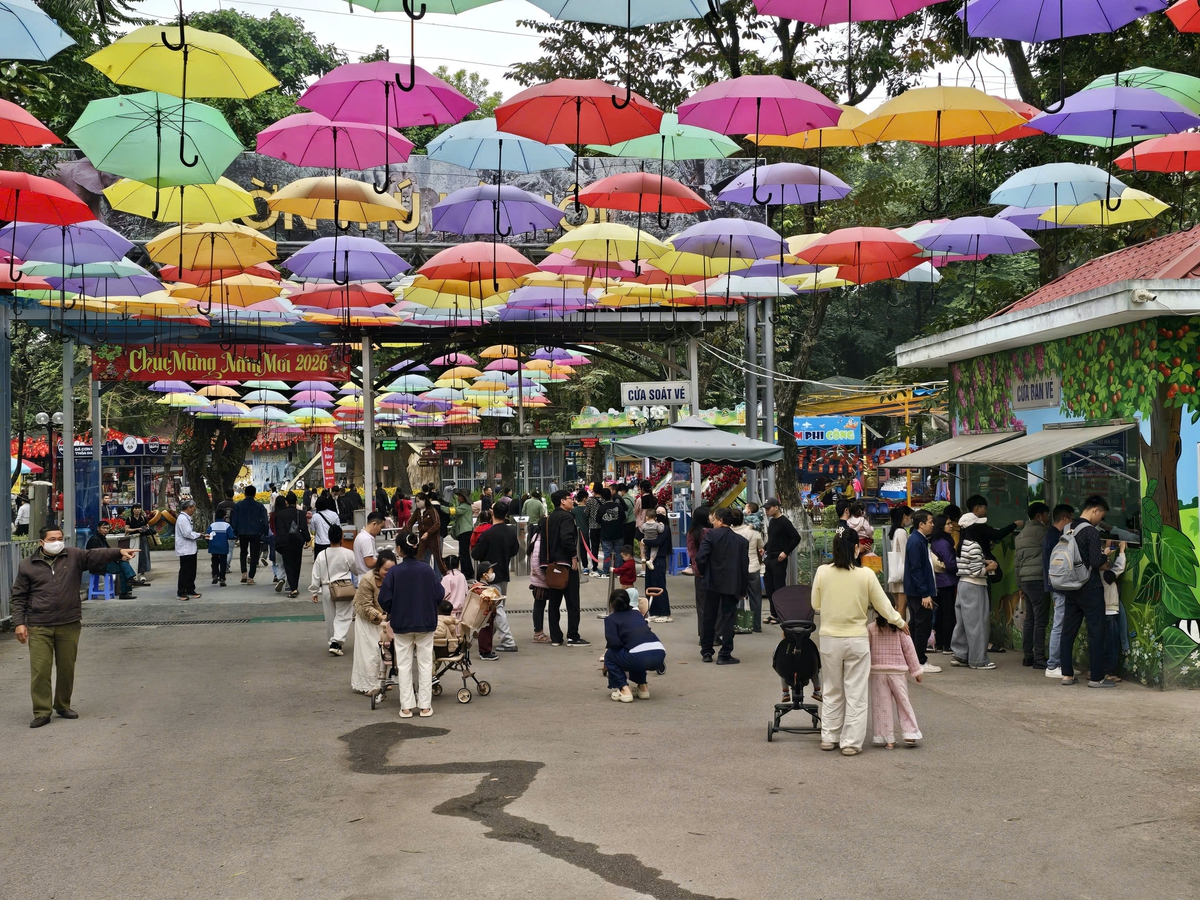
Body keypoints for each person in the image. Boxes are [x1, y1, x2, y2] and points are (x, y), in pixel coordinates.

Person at [12, 524, 136, 727]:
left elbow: (96, 555)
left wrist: (118, 551)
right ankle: (42, 711)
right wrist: (19, 623)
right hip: (40, 624)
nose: (57, 542)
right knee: (40, 670)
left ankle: (62, 704)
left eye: (59, 538)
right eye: (52, 539)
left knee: (66, 668)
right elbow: (18, 596)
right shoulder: (28, 565)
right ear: (41, 542)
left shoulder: (74, 556)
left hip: (68, 623)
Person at [811, 536, 909, 756]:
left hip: (829, 638)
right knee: (856, 692)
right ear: (856, 548)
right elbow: (883, 605)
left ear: (834, 548)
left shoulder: (822, 572)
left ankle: (829, 736)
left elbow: (815, 604)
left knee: (832, 688)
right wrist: (900, 622)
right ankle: (851, 743)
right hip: (856, 638)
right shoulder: (865, 574)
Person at [380, 532, 444, 717]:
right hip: (426, 622)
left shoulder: (394, 572)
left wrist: (395, 608)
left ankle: (406, 706)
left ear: (399, 549)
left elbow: (384, 599)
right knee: (425, 663)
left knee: (404, 665)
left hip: (401, 623)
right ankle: (425, 706)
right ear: (416, 547)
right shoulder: (427, 570)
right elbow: (440, 594)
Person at [1056, 495, 1113, 688]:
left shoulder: (1066, 528)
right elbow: (1096, 562)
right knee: (1096, 631)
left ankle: (1066, 675)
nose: (1101, 520)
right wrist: (1105, 554)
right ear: (1095, 510)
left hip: (1070, 587)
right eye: (1102, 515)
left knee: (1068, 631)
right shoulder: (1091, 532)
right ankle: (1097, 678)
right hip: (1090, 588)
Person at [695, 506, 750, 665]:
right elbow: (743, 567)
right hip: (732, 584)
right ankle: (725, 653)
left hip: (711, 582)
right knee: (728, 619)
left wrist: (706, 573)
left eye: (714, 518)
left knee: (708, 617)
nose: (712, 521)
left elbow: (700, 557)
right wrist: (742, 588)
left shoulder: (710, 535)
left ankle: (706, 651)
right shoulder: (741, 541)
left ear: (720, 520)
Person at [868, 597, 924, 749]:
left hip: (878, 672)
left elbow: (866, 651)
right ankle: (910, 733)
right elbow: (909, 650)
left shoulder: (871, 628)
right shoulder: (901, 627)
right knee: (903, 702)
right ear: (894, 607)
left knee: (881, 705)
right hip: (897, 672)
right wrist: (916, 671)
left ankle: (888, 739)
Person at [950, 512, 999, 670]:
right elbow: (978, 572)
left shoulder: (961, 544)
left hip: (963, 585)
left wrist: (982, 561)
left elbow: (967, 564)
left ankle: (960, 654)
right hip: (975, 586)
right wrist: (989, 567)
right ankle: (978, 660)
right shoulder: (975, 546)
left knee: (963, 623)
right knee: (978, 624)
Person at [471, 503, 518, 654]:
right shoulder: (511, 531)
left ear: (492, 514)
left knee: (497, 609)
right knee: (497, 607)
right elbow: (515, 550)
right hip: (504, 573)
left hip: (489, 576)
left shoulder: (488, 534)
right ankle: (488, 636)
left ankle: (508, 641)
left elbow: (476, 554)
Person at [603, 590, 666, 703]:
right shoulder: (637, 613)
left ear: (611, 604)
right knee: (634, 652)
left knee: (610, 656)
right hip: (659, 652)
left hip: (639, 656)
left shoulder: (611, 619)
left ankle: (624, 689)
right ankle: (643, 688)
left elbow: (614, 643)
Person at [544, 489, 587, 646]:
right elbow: (567, 538)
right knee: (572, 603)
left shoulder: (549, 518)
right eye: (570, 498)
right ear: (562, 501)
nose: (572, 501)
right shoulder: (567, 517)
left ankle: (555, 637)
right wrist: (574, 557)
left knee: (554, 603)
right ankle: (573, 636)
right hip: (567, 566)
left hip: (553, 566)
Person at [351, 549, 397, 694]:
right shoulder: (367, 579)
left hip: (384, 621)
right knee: (370, 653)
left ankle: (381, 681)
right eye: (385, 570)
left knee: (384, 652)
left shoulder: (396, 577)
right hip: (367, 620)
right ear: (378, 567)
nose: (388, 573)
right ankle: (369, 685)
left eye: (392, 569)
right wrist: (381, 615)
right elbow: (364, 605)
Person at [902, 510, 941, 674]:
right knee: (922, 626)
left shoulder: (919, 540)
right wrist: (924, 593)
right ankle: (919, 661)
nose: (933, 524)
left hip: (916, 591)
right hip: (919, 593)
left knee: (916, 625)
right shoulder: (916, 541)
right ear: (921, 524)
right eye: (930, 521)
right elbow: (916, 569)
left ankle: (912, 659)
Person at [309, 523, 357, 656]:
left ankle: (332, 641)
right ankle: (337, 641)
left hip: (326, 587)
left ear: (328, 538)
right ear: (341, 536)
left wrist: (314, 591)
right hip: (344, 587)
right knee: (344, 615)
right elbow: (355, 570)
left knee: (330, 616)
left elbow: (316, 574)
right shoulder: (348, 553)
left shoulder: (321, 555)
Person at [1015, 502, 1051, 669]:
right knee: (1040, 620)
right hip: (1038, 579)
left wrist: (1019, 585)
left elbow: (1017, 563)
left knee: (1030, 619)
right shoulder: (1042, 532)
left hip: (1026, 581)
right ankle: (1039, 658)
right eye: (1046, 515)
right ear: (1039, 516)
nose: (1048, 518)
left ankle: (1028, 656)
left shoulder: (1020, 535)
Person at [1043, 503, 1075, 679]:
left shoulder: (1051, 535)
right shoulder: (1056, 537)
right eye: (1070, 519)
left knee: (1061, 624)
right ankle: (1053, 664)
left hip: (1056, 584)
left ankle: (1062, 663)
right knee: (1059, 625)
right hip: (1059, 585)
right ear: (1064, 519)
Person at [762, 498, 800, 623]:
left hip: (779, 559)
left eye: (769, 508)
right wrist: (764, 548)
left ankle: (781, 614)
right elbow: (773, 539)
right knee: (769, 587)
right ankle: (773, 614)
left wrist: (785, 552)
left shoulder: (784, 522)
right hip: (770, 558)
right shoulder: (772, 522)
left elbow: (796, 537)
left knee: (779, 587)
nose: (767, 510)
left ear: (776, 507)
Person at [730, 507, 765, 632]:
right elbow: (761, 546)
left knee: (733, 597)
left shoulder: (729, 533)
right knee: (755, 597)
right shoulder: (754, 532)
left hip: (735, 569)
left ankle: (734, 623)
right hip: (753, 567)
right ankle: (756, 625)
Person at [928, 515, 959, 654]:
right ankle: (947, 644)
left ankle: (940, 642)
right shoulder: (944, 543)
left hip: (938, 583)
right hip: (946, 582)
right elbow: (951, 564)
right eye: (948, 524)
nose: (951, 526)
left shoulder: (936, 541)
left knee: (940, 614)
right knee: (948, 614)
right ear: (941, 526)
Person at [86, 520, 138, 598]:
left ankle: (129, 582)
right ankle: (126, 588)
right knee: (122, 567)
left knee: (123, 562)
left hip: (105, 562)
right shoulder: (95, 540)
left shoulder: (102, 539)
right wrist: (118, 558)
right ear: (98, 528)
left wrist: (119, 557)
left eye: (107, 528)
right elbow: (103, 554)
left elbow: (109, 552)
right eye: (103, 528)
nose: (106, 530)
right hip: (98, 565)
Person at [230, 485, 268, 585]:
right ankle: (251, 577)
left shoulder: (238, 505)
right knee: (254, 554)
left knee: (243, 552)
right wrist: (265, 532)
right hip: (256, 532)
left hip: (242, 532)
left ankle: (244, 573)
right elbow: (264, 521)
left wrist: (236, 532)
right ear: (255, 494)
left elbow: (234, 520)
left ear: (245, 493)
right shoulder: (260, 506)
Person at [1102, 541, 1127, 684]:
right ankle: (1108, 672)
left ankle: (1095, 669)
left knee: (1099, 642)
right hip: (1109, 612)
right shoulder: (1106, 575)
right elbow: (1118, 568)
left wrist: (1106, 550)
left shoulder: (1094, 573)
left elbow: (1106, 564)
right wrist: (1122, 551)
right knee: (1111, 644)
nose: (1108, 563)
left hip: (1099, 613)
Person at [274, 492, 308, 598]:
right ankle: (294, 586)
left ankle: (293, 588)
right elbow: (304, 528)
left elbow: (279, 530)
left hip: (285, 543)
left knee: (288, 565)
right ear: (296, 502)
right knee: (297, 564)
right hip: (297, 541)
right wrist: (307, 539)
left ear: (286, 502)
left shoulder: (280, 515)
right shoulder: (301, 513)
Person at [642, 506, 673, 622]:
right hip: (650, 559)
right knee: (650, 585)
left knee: (659, 585)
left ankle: (664, 612)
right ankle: (653, 611)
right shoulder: (652, 526)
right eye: (658, 512)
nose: (660, 514)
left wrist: (645, 541)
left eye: (662, 512)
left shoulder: (664, 528)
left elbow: (657, 542)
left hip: (659, 559)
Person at [687, 507, 712, 640]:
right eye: (710, 515)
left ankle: (703, 635)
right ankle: (713, 635)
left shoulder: (692, 532)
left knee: (702, 606)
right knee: (714, 606)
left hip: (700, 574)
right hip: (712, 573)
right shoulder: (711, 532)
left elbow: (692, 553)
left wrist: (697, 570)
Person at [527, 522, 552, 643]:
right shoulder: (539, 543)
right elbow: (536, 565)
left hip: (540, 580)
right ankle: (538, 633)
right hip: (541, 581)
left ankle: (539, 632)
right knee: (539, 605)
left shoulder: (537, 538)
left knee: (539, 605)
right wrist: (545, 579)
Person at [886, 505, 913, 615]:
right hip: (902, 574)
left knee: (897, 606)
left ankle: (896, 630)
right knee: (902, 606)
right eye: (910, 517)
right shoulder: (901, 532)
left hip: (895, 572)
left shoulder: (895, 531)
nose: (910, 520)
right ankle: (901, 631)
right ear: (904, 516)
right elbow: (904, 554)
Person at [175, 499, 201, 602]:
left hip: (190, 549)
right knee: (185, 571)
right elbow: (187, 534)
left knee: (191, 571)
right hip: (185, 549)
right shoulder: (182, 519)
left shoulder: (187, 518)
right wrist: (200, 535)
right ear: (189, 508)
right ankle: (181, 592)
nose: (194, 510)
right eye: (193, 508)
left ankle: (190, 589)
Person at [415, 492, 446, 574]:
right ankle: (438, 576)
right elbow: (445, 519)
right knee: (437, 557)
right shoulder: (442, 507)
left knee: (425, 557)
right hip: (439, 535)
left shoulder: (427, 509)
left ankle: (426, 574)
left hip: (425, 536)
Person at [597, 488, 624, 575]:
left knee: (607, 553)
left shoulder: (601, 508)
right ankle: (619, 571)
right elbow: (623, 517)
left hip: (606, 534)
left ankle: (606, 571)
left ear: (602, 497)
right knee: (619, 553)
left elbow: (598, 520)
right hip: (618, 533)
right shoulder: (619, 506)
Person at [450, 490, 475, 580]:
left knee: (463, 553)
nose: (458, 497)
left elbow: (454, 511)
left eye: (460, 496)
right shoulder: (463, 506)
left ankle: (467, 573)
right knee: (464, 553)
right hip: (465, 532)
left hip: (465, 532)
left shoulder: (464, 507)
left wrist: (440, 507)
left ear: (464, 498)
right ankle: (469, 571)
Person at [126, 502, 152, 579]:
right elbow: (127, 529)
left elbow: (148, 526)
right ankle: (133, 573)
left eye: (139, 508)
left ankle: (142, 572)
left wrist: (145, 528)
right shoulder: (129, 519)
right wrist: (137, 529)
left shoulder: (143, 518)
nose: (137, 510)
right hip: (133, 539)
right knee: (133, 555)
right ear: (132, 510)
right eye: (135, 508)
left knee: (143, 555)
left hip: (143, 538)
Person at [207, 509, 232, 587]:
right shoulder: (227, 525)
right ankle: (222, 578)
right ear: (224, 516)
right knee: (223, 562)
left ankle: (215, 575)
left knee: (214, 561)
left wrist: (209, 543)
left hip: (213, 547)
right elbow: (231, 536)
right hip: (223, 547)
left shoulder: (212, 525)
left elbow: (207, 536)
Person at [354, 511, 383, 576]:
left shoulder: (361, 536)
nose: (380, 530)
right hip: (367, 578)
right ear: (374, 524)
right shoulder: (366, 539)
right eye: (380, 527)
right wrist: (384, 559)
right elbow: (369, 563)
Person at [585, 484, 603, 576]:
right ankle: (607, 567)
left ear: (594, 490)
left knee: (594, 547)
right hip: (604, 527)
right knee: (606, 547)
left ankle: (595, 566)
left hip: (593, 527)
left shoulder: (590, 501)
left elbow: (586, 513)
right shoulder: (604, 500)